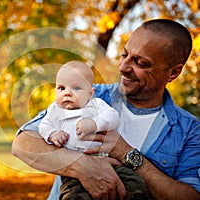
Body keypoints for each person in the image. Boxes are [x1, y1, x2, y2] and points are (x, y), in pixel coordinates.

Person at [12, 19, 200, 200]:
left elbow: (190, 196)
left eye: (140, 63)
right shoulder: (90, 96)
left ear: (173, 72)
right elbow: (23, 144)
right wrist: (83, 166)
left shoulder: (189, 130)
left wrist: (128, 155)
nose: (123, 67)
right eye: (124, 54)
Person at [39, 60, 149, 199]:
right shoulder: (55, 110)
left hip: (106, 162)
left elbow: (112, 116)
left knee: (135, 183)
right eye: (61, 88)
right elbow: (44, 126)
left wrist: (94, 123)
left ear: (90, 93)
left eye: (76, 88)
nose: (67, 93)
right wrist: (52, 134)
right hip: (73, 171)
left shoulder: (95, 105)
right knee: (73, 196)